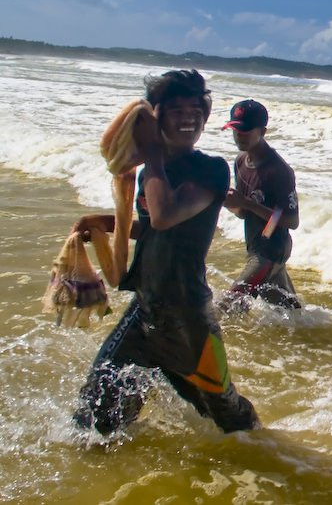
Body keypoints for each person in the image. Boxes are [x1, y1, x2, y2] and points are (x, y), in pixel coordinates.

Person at [72, 69, 260, 435]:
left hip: (187, 319)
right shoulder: (152, 173)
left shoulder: (211, 170)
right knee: (95, 418)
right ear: (152, 116)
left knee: (231, 421)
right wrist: (105, 223)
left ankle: (281, 461)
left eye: (196, 109)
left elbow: (165, 216)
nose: (189, 116)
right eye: (176, 109)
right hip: (144, 309)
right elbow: (151, 230)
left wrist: (154, 155)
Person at [219, 99, 302, 311]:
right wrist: (229, 203)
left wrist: (246, 202)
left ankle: (211, 344)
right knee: (290, 313)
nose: (239, 136)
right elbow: (244, 213)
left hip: (271, 251)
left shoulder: (278, 170)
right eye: (235, 130)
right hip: (255, 247)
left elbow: (291, 221)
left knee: (228, 305)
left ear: (262, 131)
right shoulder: (240, 162)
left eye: (245, 131)